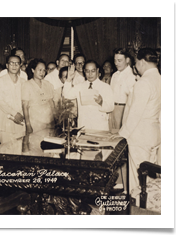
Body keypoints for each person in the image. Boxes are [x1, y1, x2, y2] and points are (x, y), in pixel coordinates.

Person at [110, 48, 161, 193]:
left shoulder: (144, 82)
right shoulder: (161, 79)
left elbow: (135, 114)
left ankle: (137, 209)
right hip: (154, 134)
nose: (135, 65)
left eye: (137, 62)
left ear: (142, 62)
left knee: (137, 180)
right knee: (150, 178)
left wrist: (122, 133)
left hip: (140, 136)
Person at [63, 60, 114, 131]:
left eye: (93, 71)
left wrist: (101, 102)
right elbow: (66, 95)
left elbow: (111, 107)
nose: (90, 74)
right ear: (84, 71)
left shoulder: (106, 87)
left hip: (100, 127)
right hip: (84, 126)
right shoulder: (80, 86)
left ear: (97, 70)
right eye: (87, 71)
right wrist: (68, 79)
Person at [0, 55, 26, 143]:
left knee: (20, 151)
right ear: (7, 65)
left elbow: (26, 102)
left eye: (17, 63)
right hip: (6, 122)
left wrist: (21, 115)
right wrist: (14, 114)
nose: (14, 66)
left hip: (21, 121)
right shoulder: (0, 81)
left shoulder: (24, 82)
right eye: (11, 63)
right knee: (6, 152)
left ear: (20, 66)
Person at [22, 59, 55, 134]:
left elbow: (51, 103)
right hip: (35, 123)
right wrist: (28, 125)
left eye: (44, 70)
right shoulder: (27, 85)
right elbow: (25, 106)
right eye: (40, 70)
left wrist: (54, 120)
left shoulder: (48, 84)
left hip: (49, 122)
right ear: (33, 70)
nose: (42, 73)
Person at [110, 48, 137, 131]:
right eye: (115, 60)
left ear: (127, 60)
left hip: (124, 109)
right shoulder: (114, 75)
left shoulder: (132, 75)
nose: (116, 63)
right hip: (112, 109)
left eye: (119, 60)